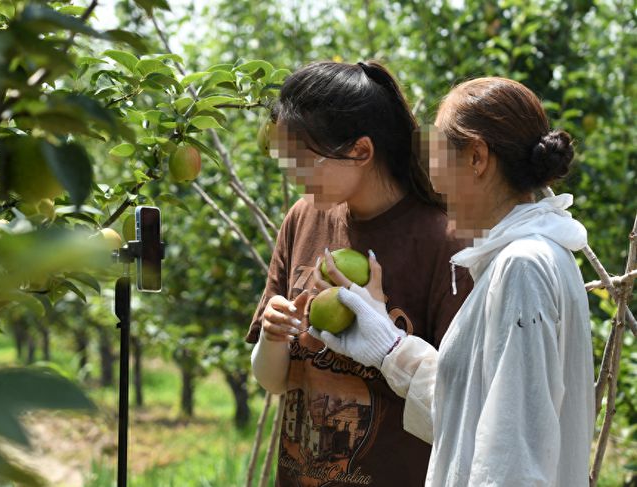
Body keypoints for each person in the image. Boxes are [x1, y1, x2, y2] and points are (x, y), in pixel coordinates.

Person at [310, 77, 595, 486]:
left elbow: (511, 463)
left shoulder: (523, 267)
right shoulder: (530, 258)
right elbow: (472, 411)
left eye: (438, 155)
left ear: (476, 157)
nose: (433, 180)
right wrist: (389, 348)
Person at [246, 61, 473, 486]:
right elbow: (275, 382)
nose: (291, 174)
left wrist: (388, 341)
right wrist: (273, 336)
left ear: (361, 151)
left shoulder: (446, 244)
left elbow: (463, 403)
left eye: (301, 159)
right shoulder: (303, 219)